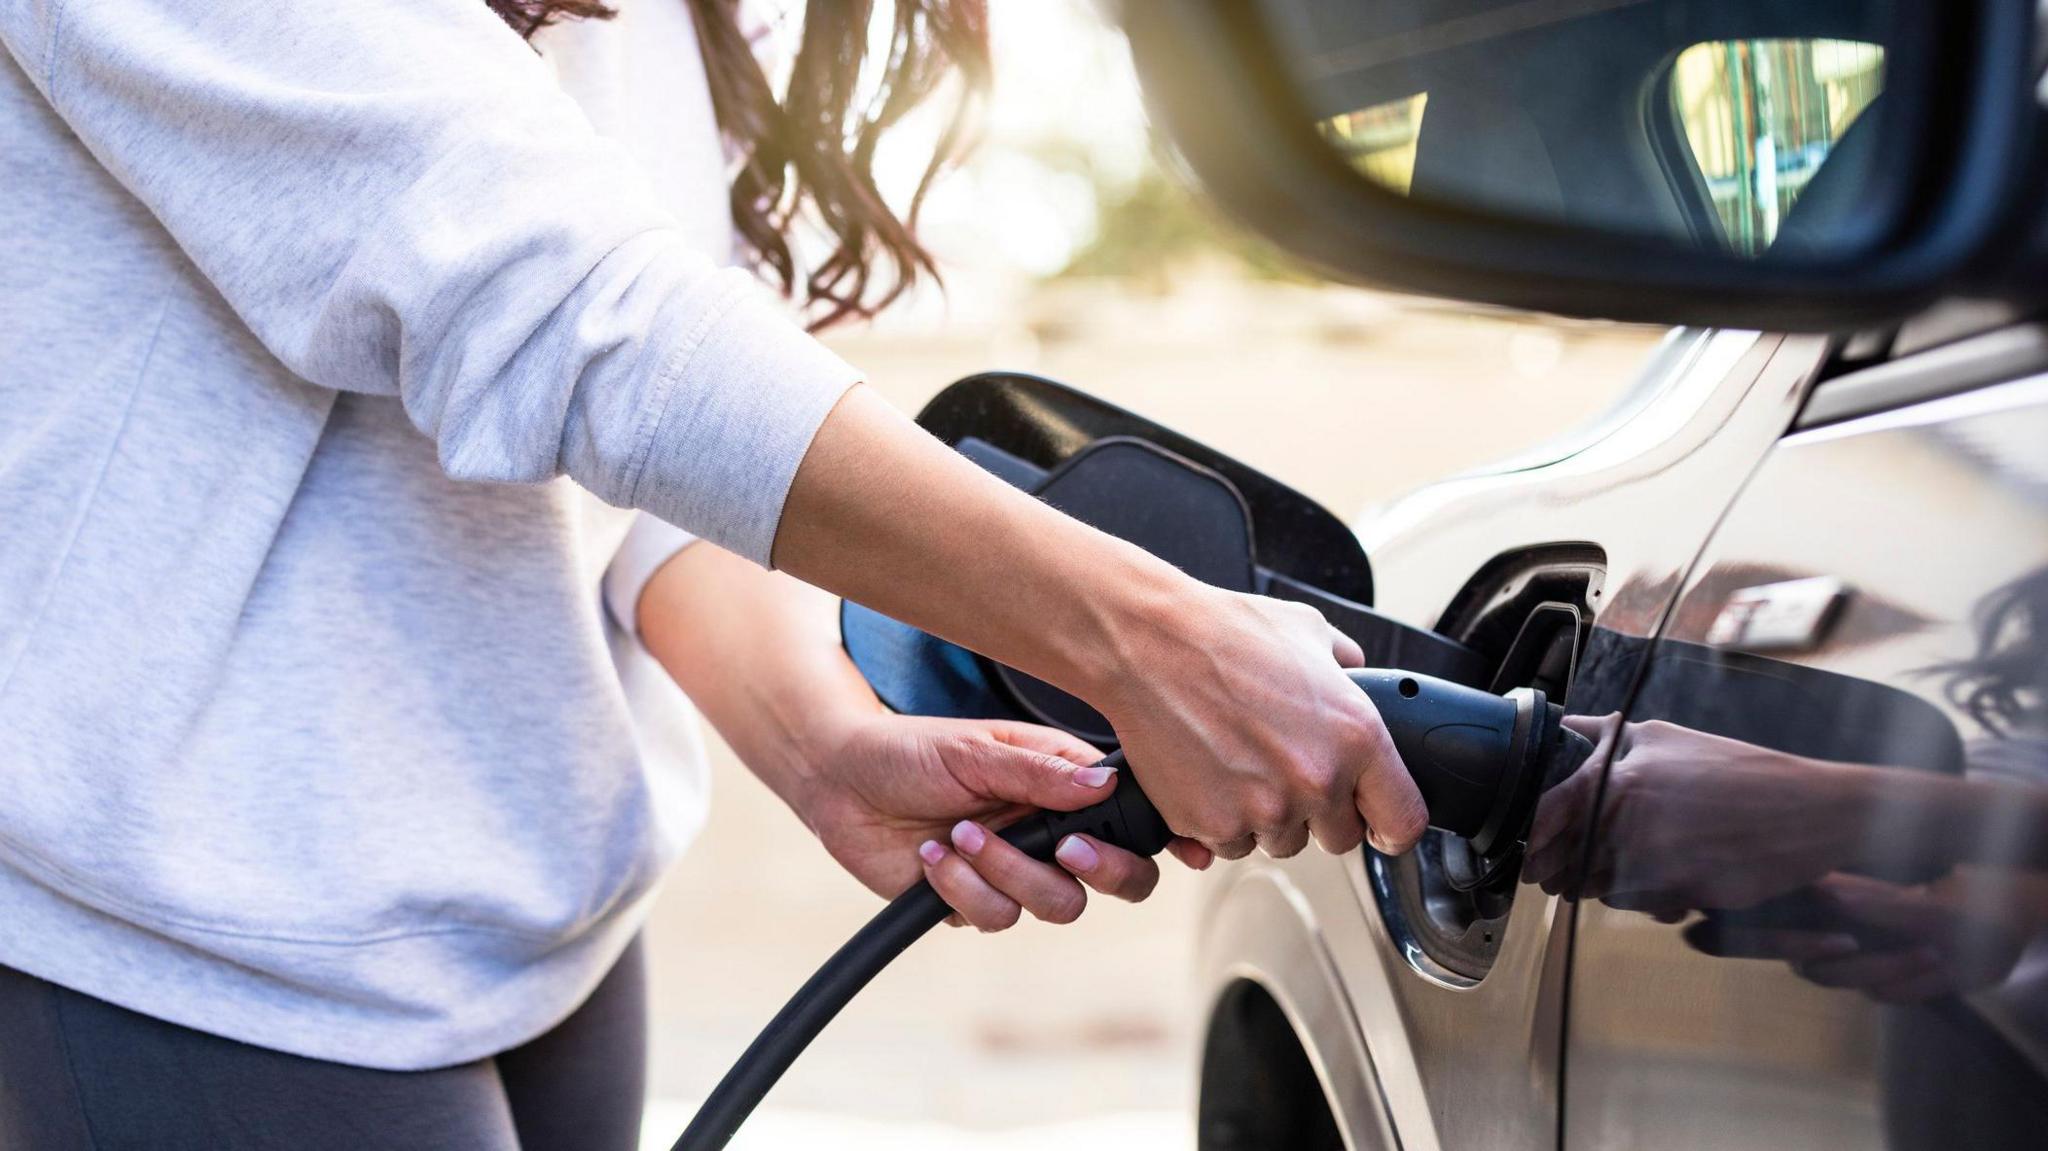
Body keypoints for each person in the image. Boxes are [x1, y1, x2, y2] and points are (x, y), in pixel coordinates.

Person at [0, 1, 1425, 1147]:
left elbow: (641, 473)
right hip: (176, 936)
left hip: (542, 916)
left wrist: (823, 741)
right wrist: (1148, 640)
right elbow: (562, 318)